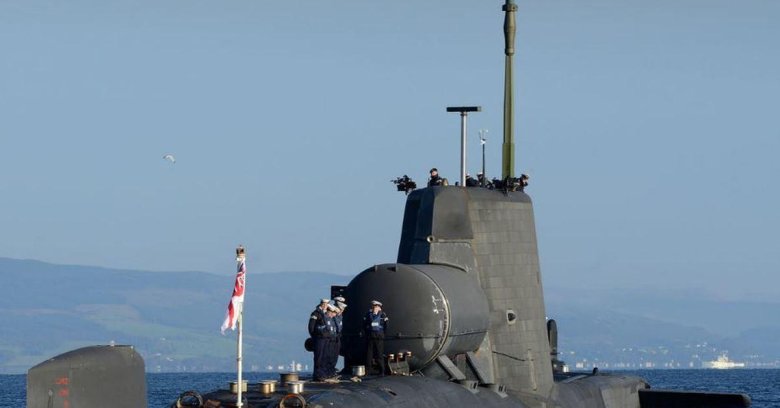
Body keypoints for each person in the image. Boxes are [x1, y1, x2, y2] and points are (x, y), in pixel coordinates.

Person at [308, 299, 334, 381]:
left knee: (324, 357)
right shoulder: (316, 313)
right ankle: (317, 375)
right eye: (325, 304)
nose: (326, 306)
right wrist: (314, 336)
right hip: (319, 338)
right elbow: (311, 327)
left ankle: (323, 374)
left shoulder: (325, 314)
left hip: (325, 338)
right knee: (318, 357)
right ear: (322, 304)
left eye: (327, 304)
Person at [363, 300, 389, 375]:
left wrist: (383, 334)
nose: (375, 308)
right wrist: (366, 333)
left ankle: (382, 371)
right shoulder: (368, 314)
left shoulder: (383, 315)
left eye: (376, 306)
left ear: (379, 307)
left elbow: (386, 325)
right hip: (371, 336)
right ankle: (368, 371)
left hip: (379, 336)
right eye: (374, 306)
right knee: (369, 354)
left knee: (379, 354)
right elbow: (364, 324)